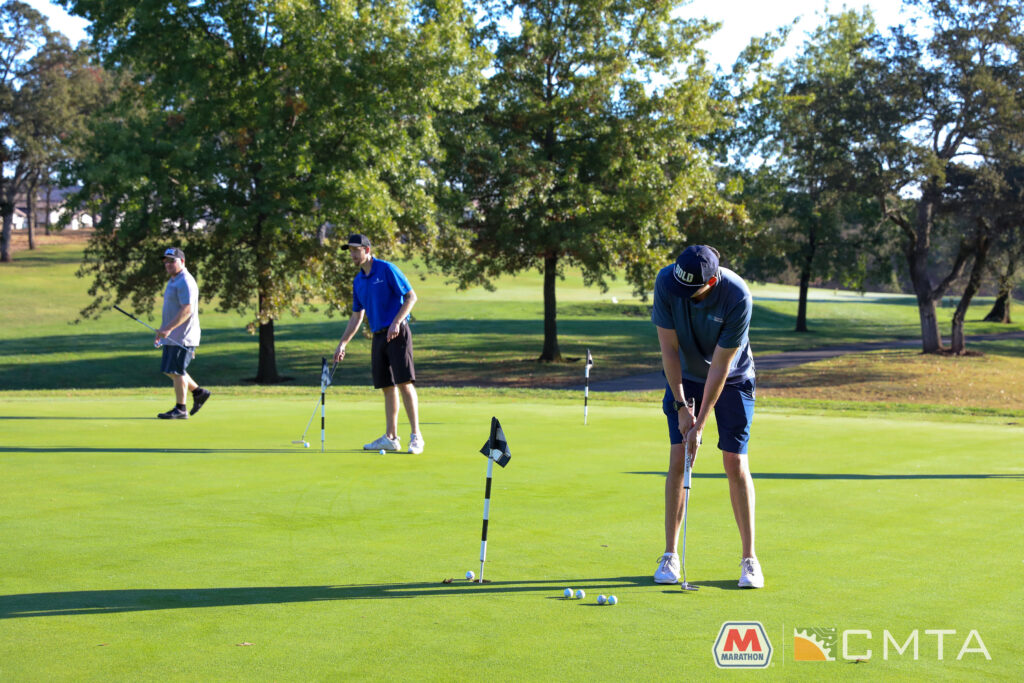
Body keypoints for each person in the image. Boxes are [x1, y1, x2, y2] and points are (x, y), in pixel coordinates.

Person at [650, 244, 763, 589]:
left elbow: (721, 367)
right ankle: (670, 555)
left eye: (691, 292)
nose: (682, 296)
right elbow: (668, 350)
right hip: (684, 375)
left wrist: (700, 424)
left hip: (732, 378)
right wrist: (683, 407)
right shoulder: (667, 281)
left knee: (734, 462)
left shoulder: (737, 296)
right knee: (679, 457)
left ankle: (749, 559)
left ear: (712, 281)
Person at [333, 234, 424, 454]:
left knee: (404, 383)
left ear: (367, 249)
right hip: (378, 335)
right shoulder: (358, 281)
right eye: (350, 251)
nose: (353, 255)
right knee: (386, 386)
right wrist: (343, 343)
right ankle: (391, 437)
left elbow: (411, 297)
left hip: (398, 332)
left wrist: (397, 322)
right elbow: (356, 317)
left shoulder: (386, 269)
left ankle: (416, 436)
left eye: (356, 250)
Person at [155, 247, 211, 419]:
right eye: (166, 261)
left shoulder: (186, 281)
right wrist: (163, 329)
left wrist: (168, 328)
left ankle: (181, 409)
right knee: (169, 369)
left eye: (172, 261)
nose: (168, 264)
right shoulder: (173, 280)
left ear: (182, 262)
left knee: (176, 371)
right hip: (172, 334)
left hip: (184, 335)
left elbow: (187, 310)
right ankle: (199, 392)